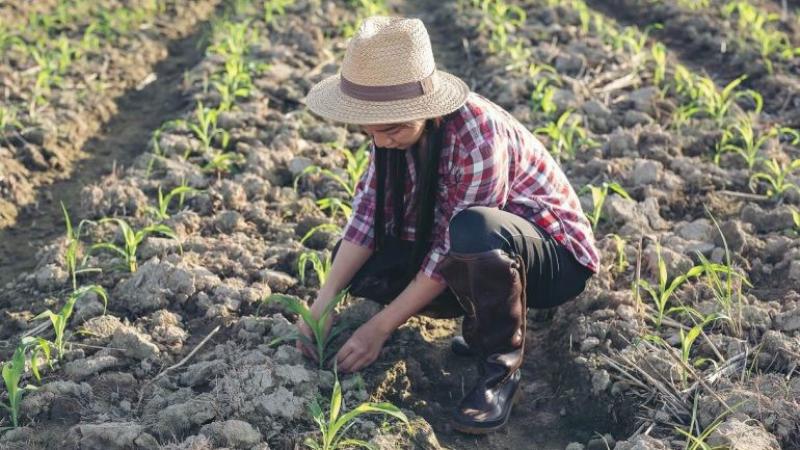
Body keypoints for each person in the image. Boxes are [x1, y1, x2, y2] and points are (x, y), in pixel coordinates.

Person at [300, 16, 600, 434]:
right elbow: (366, 218)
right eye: (370, 129)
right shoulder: (388, 137)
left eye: (391, 128)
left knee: (474, 230)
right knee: (358, 267)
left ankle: (499, 373)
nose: (381, 140)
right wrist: (323, 303)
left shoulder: (477, 134)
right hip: (470, 249)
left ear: (425, 107)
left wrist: (380, 327)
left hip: (551, 259)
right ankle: (479, 322)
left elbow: (453, 246)